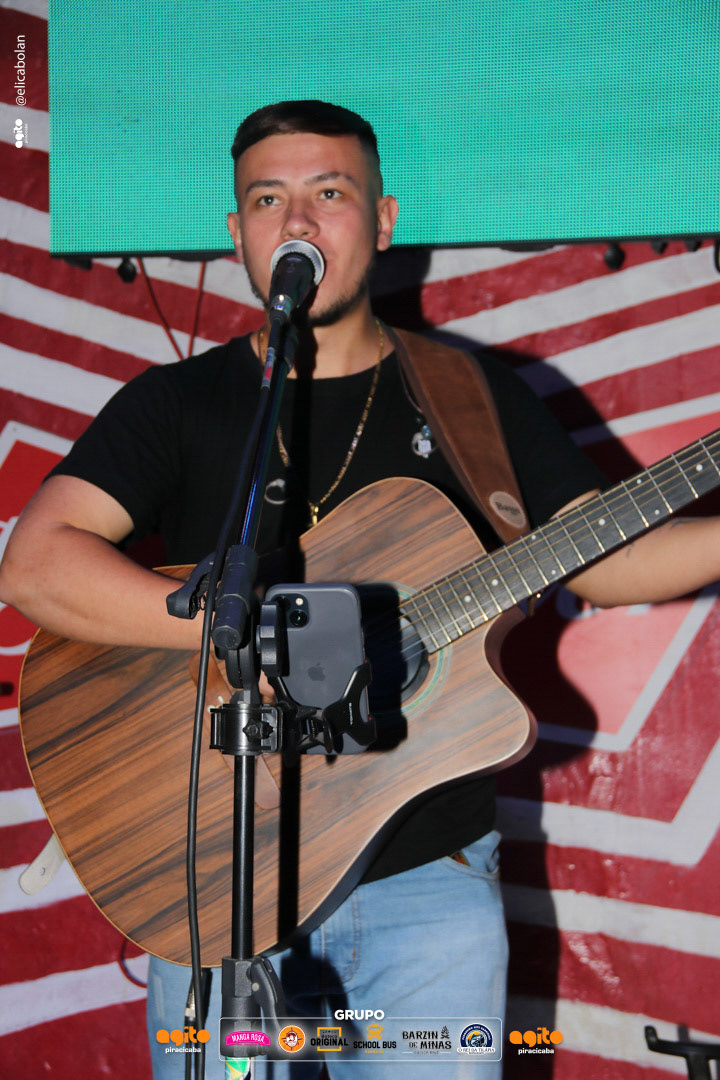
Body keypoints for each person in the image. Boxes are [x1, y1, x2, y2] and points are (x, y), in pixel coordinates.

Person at [2, 101, 720, 1079]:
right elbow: (36, 564)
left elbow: (600, 555)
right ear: (238, 232)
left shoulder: (473, 399)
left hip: (430, 887)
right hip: (217, 870)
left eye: (329, 193)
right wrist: (248, 637)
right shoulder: (181, 402)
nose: (297, 222)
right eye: (269, 200)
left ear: (382, 221)